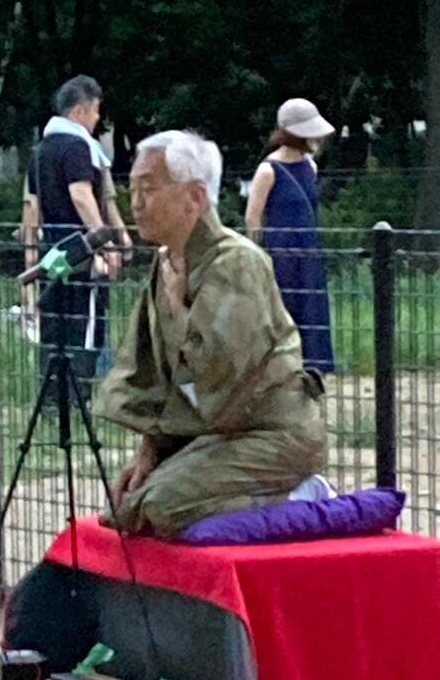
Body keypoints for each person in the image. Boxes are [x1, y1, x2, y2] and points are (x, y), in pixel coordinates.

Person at [95, 129, 327, 537]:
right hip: (218, 430)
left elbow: (219, 372)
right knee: (126, 507)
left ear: (195, 197)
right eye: (132, 189)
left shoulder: (238, 263)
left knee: (160, 506)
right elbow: (152, 371)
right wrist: (150, 451)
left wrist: (182, 307)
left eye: (148, 188)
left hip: (272, 433)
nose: (136, 202)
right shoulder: (167, 263)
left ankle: (298, 496)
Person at [24, 76, 131, 395]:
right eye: (96, 110)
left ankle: (51, 396)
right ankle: (78, 394)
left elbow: (33, 203)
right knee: (84, 320)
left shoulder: (41, 149)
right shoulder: (77, 146)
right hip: (81, 249)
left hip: (51, 249)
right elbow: (81, 195)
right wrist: (105, 241)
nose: (98, 118)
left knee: (54, 322)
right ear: (81, 109)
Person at [244, 98, 335, 373]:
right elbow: (253, 215)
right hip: (280, 251)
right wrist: (257, 253)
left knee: (310, 305)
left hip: (308, 248)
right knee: (283, 304)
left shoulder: (311, 167)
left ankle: (313, 365)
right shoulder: (268, 170)